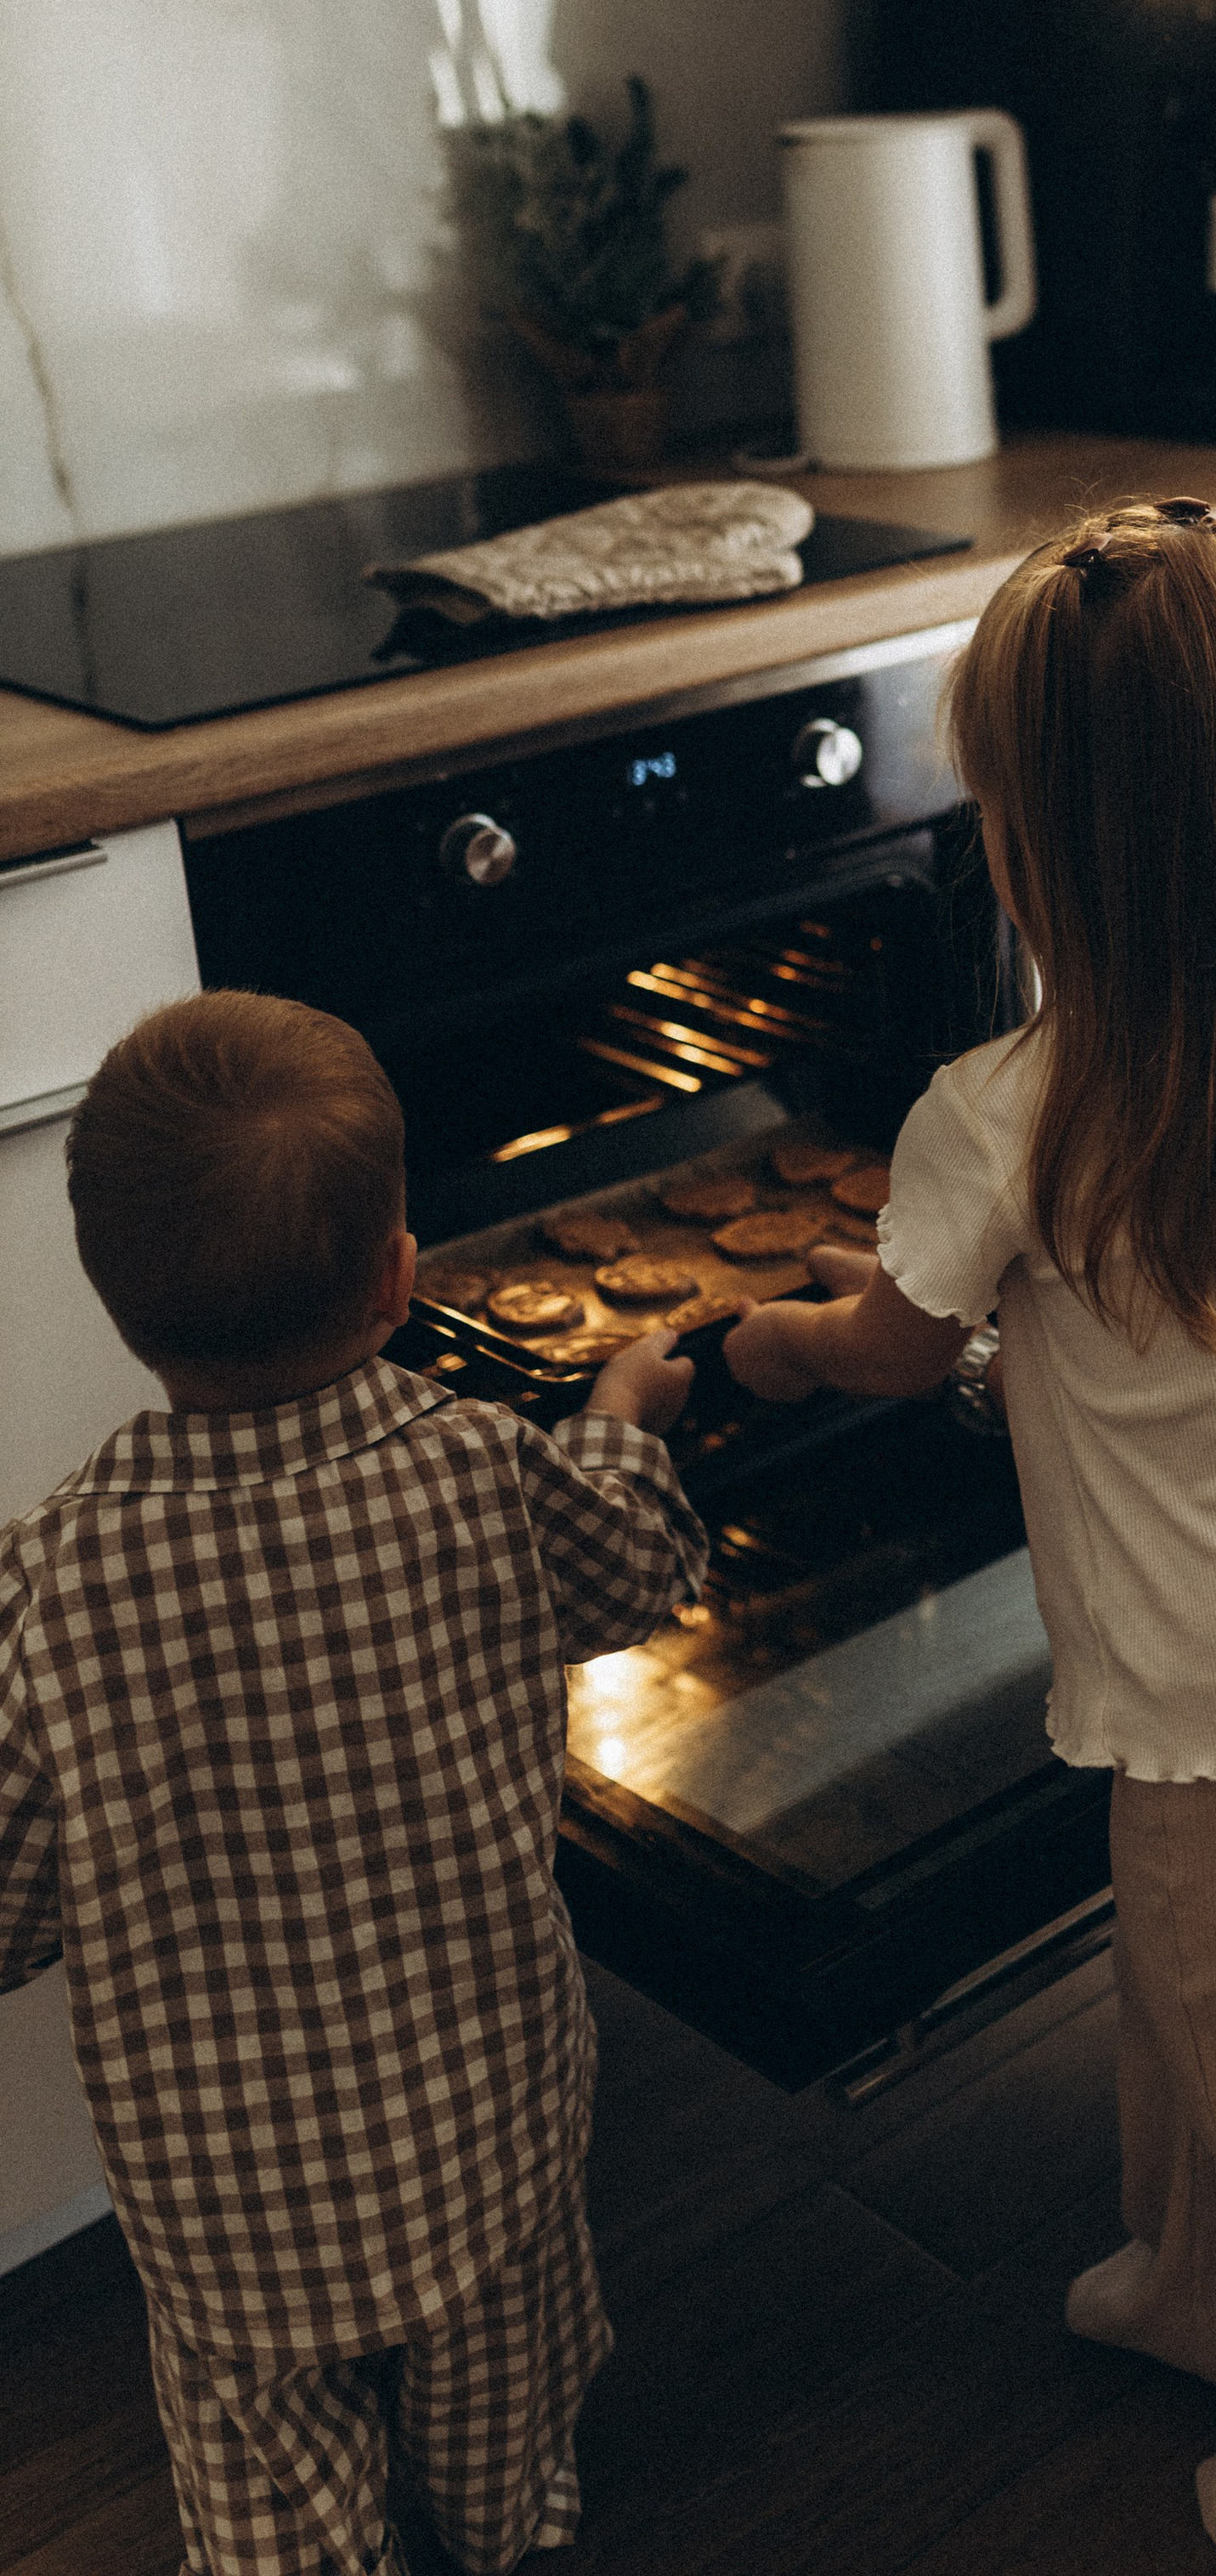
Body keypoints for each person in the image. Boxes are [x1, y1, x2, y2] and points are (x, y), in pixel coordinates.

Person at [727, 500, 1216, 2576]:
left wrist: (777, 1345)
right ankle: (1190, 2292)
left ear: (1031, 848)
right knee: (1204, 2010)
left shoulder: (1000, 1112)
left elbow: (896, 1352)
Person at [0, 991, 707, 2576]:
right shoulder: (480, 1469)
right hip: (489, 2125)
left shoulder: (52, 1590)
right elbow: (633, 1576)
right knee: (497, 2419)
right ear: (399, 1275)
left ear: (115, 1303)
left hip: (230, 2209)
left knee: (272, 2478)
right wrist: (616, 1422)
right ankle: (497, 2525)